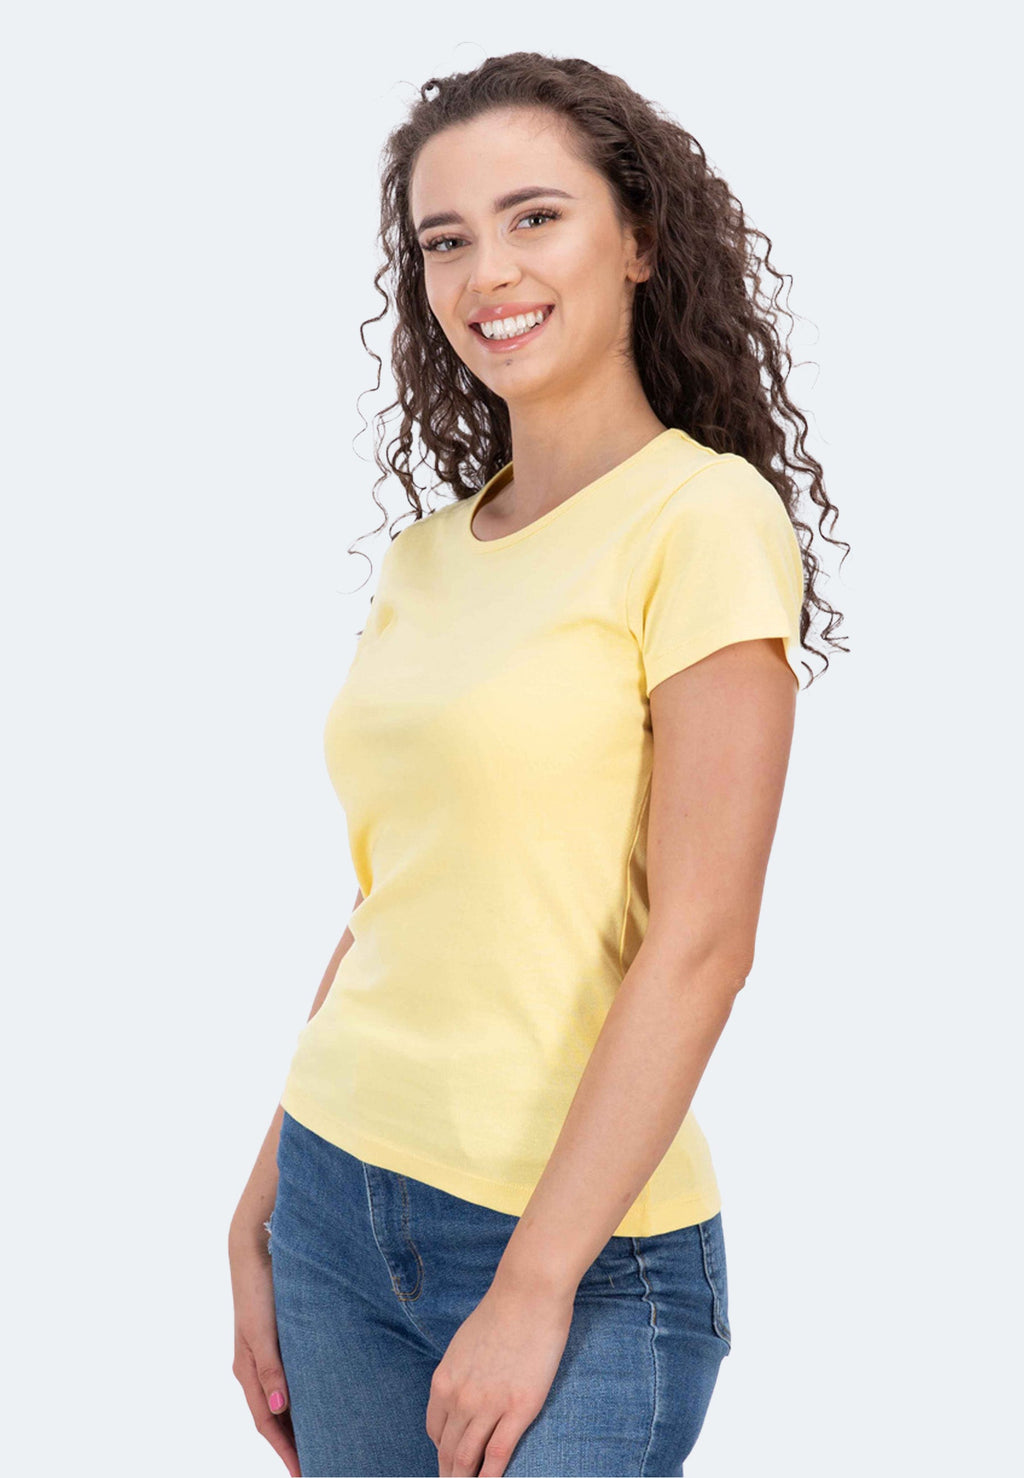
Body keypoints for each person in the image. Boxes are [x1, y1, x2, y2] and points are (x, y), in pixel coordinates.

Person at [228, 50, 846, 1478]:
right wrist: (257, 1204)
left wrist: (532, 1284)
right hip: (330, 1198)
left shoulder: (702, 519)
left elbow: (703, 941)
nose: (485, 271)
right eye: (444, 240)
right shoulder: (426, 558)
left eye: (534, 217)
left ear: (639, 242)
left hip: (581, 1252)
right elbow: (396, 903)